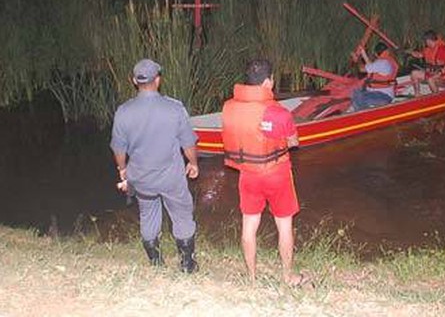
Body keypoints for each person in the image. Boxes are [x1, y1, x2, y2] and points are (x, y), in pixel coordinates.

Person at [110, 58, 199, 273]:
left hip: (140, 178)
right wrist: (193, 163)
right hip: (171, 178)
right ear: (157, 80)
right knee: (182, 214)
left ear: (134, 81)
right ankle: (187, 264)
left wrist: (123, 170)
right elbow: (188, 143)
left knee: (148, 213)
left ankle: (156, 263)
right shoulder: (175, 108)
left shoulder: (123, 112)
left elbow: (118, 149)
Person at [221, 59, 304, 286]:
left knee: (249, 225)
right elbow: (293, 142)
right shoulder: (278, 112)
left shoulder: (229, 106)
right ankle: (287, 276)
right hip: (276, 173)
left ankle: (252, 278)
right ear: (268, 82)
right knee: (284, 225)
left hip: (247, 174)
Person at [351, 42, 399, 111]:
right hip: (381, 94)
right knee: (357, 92)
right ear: (387, 51)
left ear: (376, 54)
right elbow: (371, 67)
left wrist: (356, 60)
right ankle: (365, 110)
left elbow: (361, 69)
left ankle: (363, 115)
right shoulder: (388, 61)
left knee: (357, 95)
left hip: (382, 96)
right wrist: (363, 53)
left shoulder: (382, 63)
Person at [409, 30, 445, 96]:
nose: (425, 42)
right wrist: (411, 53)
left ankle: (436, 96)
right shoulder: (429, 49)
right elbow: (420, 55)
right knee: (414, 73)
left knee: (430, 79)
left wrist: (440, 73)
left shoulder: (442, 49)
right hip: (431, 73)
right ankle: (417, 94)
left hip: (443, 77)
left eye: (426, 40)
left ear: (429, 40)